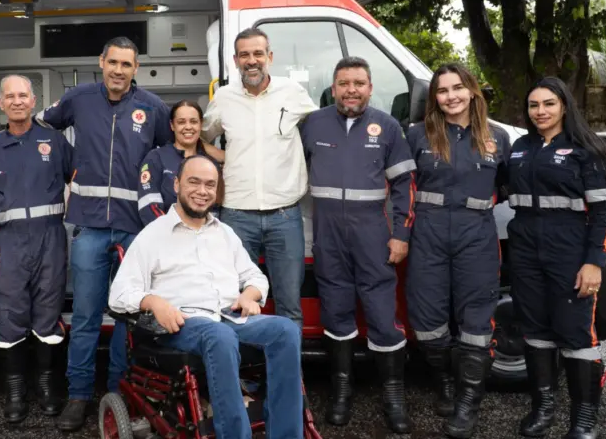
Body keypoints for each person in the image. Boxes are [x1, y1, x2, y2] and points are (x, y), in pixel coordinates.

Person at [0, 36, 172, 431]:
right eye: (112, 62)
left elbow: (170, 154)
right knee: (86, 317)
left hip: (134, 232)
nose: (118, 70)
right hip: (90, 227)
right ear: (101, 61)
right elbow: (33, 133)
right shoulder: (77, 98)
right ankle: (78, 397)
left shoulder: (154, 107)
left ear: (136, 68)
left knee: (129, 316)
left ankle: (120, 394)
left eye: (126, 64)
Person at [108, 154, 304, 439]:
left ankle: (286, 434)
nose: (202, 191)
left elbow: (255, 277)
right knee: (218, 336)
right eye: (194, 182)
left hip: (229, 317)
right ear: (176, 184)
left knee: (286, 330)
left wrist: (250, 294)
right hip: (182, 323)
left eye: (210, 185)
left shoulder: (225, 233)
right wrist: (154, 302)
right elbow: (120, 294)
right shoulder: (153, 235)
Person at [300, 56, 415, 433]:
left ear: (369, 87)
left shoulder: (387, 126)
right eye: (344, 83)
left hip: (373, 233)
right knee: (335, 310)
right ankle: (342, 391)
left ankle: (393, 395)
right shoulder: (313, 124)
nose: (352, 90)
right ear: (333, 89)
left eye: (359, 83)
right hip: (329, 233)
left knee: (383, 312)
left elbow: (405, 186)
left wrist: (400, 234)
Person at [507, 76, 606, 439]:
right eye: (533, 105)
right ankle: (542, 408)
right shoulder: (519, 148)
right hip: (526, 251)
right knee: (535, 330)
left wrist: (594, 262)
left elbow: (605, 210)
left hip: (570, 254)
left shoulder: (585, 150)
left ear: (564, 107)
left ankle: (584, 417)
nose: (540, 111)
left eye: (548, 104)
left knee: (576, 334)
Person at [405, 63, 511, 438]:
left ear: (472, 91)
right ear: (434, 97)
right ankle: (444, 380)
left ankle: (468, 399)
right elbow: (404, 189)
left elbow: (507, 186)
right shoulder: (417, 134)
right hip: (429, 233)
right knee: (427, 319)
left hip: (477, 236)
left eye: (457, 88)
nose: (450, 96)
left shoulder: (497, 136)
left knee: (477, 322)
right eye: (442, 90)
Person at [200, 27, 317, 330]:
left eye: (258, 53)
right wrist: (225, 158)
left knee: (290, 304)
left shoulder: (292, 93)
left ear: (270, 57)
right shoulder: (224, 98)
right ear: (235, 60)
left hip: (285, 216)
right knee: (236, 303)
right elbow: (203, 137)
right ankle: (242, 378)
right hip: (237, 217)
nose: (252, 61)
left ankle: (289, 377)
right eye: (244, 55)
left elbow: (316, 132)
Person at [0, 75, 73, 423]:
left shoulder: (54, 141)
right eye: (9, 97)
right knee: (10, 315)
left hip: (50, 240)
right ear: (1, 104)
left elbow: (76, 179)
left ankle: (47, 387)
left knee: (48, 314)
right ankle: (16, 392)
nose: (17, 101)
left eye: (23, 95)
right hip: (9, 244)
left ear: (34, 101)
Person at [138, 100, 224, 225]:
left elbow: (215, 208)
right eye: (181, 122)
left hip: (203, 238)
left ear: (201, 124)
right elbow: (148, 205)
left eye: (193, 121)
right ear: (172, 125)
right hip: (166, 237)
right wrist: (171, 231)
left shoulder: (211, 164)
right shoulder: (155, 158)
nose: (188, 127)